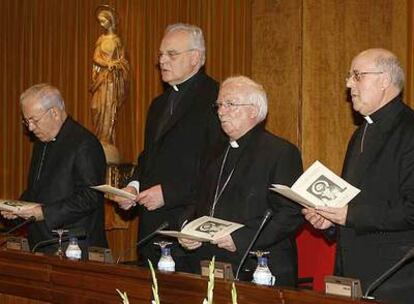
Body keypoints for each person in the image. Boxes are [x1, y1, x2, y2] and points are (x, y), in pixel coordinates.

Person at [303, 48, 414, 303]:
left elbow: (411, 210)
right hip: (350, 275)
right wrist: (330, 221)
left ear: (384, 80)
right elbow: (353, 203)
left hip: (394, 280)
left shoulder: (409, 131)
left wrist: (349, 215)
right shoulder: (360, 133)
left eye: (357, 75)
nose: (348, 83)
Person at [114, 24, 223, 266]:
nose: (162, 60)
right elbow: (149, 157)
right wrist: (133, 186)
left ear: (195, 58)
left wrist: (169, 193)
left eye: (171, 54)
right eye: (161, 54)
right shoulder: (158, 105)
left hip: (188, 231)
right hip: (151, 230)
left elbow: (216, 166)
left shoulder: (217, 99)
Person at [179, 76, 304, 286]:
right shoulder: (214, 152)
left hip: (260, 267)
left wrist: (239, 239)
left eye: (230, 104)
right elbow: (194, 200)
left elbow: (290, 214)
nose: (221, 111)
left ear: (253, 111)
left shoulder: (281, 152)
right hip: (211, 265)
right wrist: (187, 227)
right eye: (219, 105)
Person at [1, 84, 108, 255]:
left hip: (75, 248)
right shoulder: (41, 143)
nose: (30, 128)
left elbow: (89, 197)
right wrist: (18, 210)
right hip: (42, 244)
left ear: (54, 113)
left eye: (33, 120)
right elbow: (37, 190)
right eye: (26, 121)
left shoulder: (84, 143)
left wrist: (43, 212)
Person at [90, 6, 129, 163]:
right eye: (100, 21)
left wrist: (117, 65)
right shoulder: (100, 40)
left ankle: (106, 139)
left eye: (104, 20)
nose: (102, 23)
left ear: (110, 20)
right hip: (100, 80)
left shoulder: (117, 41)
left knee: (108, 109)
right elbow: (95, 58)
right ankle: (100, 137)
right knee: (96, 107)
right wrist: (107, 63)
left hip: (111, 81)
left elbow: (123, 61)